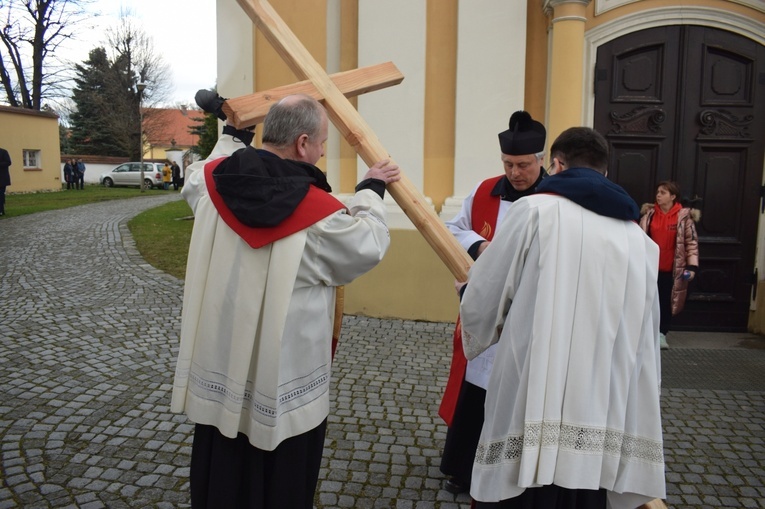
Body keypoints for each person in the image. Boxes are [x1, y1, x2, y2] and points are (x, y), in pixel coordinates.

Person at [171, 93, 401, 509]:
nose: (322, 151)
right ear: (301, 144)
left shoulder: (213, 184)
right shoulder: (317, 214)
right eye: (322, 143)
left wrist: (232, 136)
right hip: (283, 373)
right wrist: (370, 190)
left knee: (224, 461)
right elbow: (364, 245)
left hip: (224, 361)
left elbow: (195, 179)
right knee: (279, 473)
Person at [458, 127, 665, 508]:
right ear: (605, 172)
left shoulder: (534, 211)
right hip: (601, 395)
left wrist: (469, 298)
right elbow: (646, 333)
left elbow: (488, 287)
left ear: (556, 164)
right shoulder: (638, 239)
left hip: (535, 383)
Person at [439, 110, 547, 495]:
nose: (515, 173)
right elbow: (452, 227)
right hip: (486, 309)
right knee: (476, 389)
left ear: (541, 161)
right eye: (508, 164)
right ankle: (461, 469)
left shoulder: (555, 198)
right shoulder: (485, 190)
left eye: (522, 165)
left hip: (529, 312)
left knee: (517, 393)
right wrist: (481, 245)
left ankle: (512, 472)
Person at [639, 181, 699, 349]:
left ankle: (661, 334)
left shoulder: (684, 216)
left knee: (666, 302)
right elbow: (640, 239)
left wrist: (692, 267)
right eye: (658, 192)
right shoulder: (649, 215)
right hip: (650, 268)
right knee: (648, 301)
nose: (658, 195)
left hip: (672, 270)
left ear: (673, 197)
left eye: (663, 192)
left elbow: (691, 243)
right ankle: (645, 334)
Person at [0, 147, 11, 216]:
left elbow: (8, 162)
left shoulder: (3, 152)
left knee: (0, 195)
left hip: (2, 178)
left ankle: (0, 210)